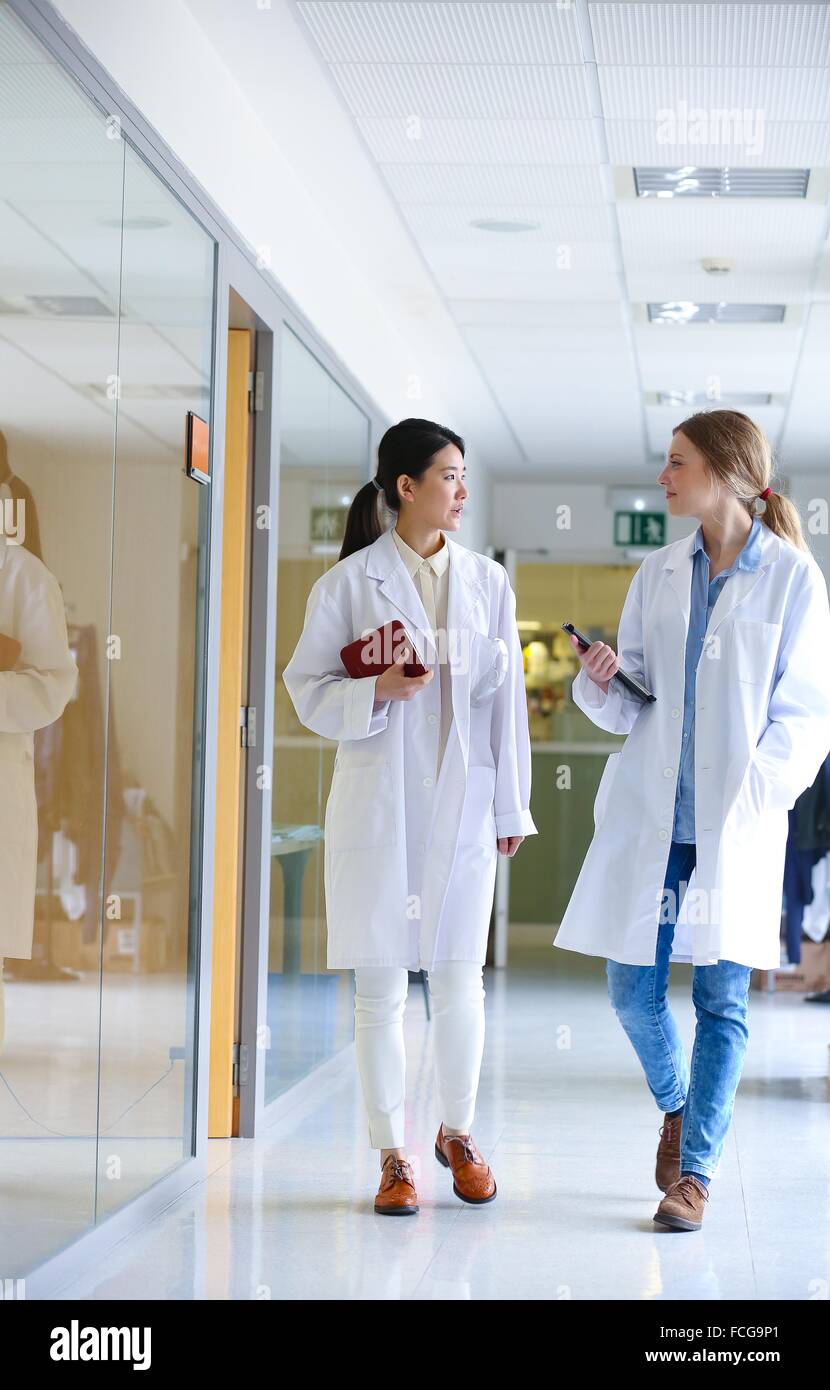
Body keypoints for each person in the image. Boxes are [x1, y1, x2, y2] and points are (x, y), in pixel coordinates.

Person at [555, 409, 830, 1232]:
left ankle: (696, 1175)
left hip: (733, 826)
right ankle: (675, 1103)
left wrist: (753, 799)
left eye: (677, 463)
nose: (663, 477)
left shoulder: (790, 579)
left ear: (726, 471)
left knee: (722, 998)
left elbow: (806, 716)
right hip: (656, 819)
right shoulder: (659, 573)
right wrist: (604, 678)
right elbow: (629, 703)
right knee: (630, 986)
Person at [283, 419, 537, 1215]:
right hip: (380, 809)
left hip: (462, 812)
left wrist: (511, 805)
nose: (461, 491)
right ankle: (393, 1156)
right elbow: (305, 688)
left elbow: (508, 710)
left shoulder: (490, 584)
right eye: (450, 476)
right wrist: (374, 693)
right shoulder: (349, 584)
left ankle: (456, 1134)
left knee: (463, 981)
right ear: (406, 487)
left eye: (463, 477)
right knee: (380, 988)